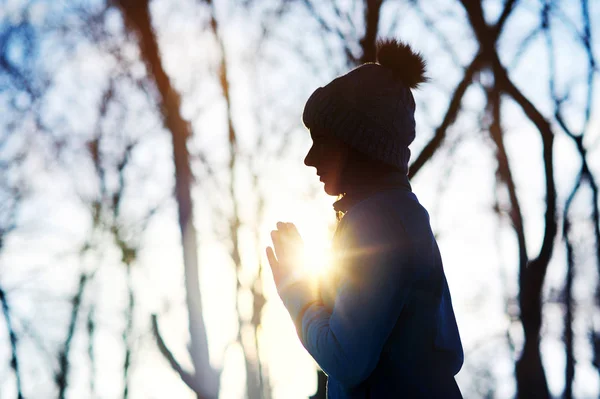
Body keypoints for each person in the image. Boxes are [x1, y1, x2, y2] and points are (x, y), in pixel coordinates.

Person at [266, 39, 463, 398]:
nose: (309, 159)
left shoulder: (377, 221)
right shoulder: (401, 214)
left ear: (359, 145)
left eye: (321, 141)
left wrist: (296, 289)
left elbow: (345, 360)